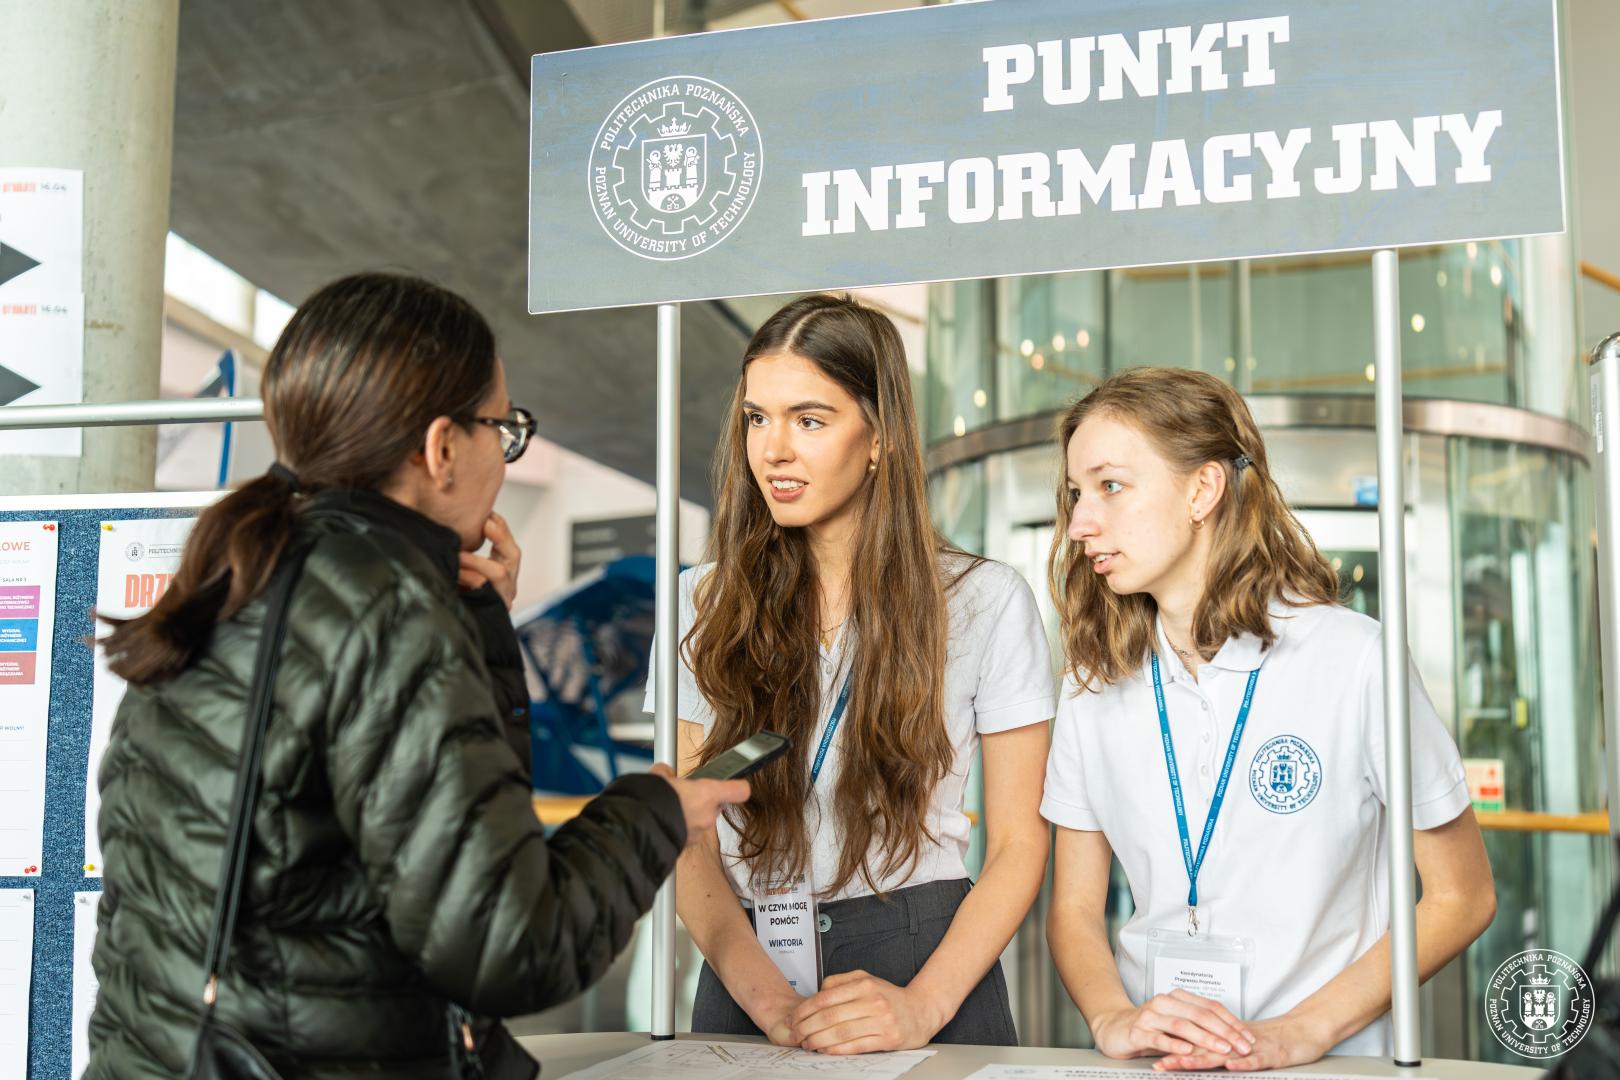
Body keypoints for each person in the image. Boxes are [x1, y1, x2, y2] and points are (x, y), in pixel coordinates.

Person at [87, 272, 748, 1079]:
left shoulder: (243, 572)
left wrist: (472, 614)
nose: (503, 456)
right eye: (503, 430)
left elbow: (406, 853)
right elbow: (513, 943)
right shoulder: (387, 607)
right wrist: (654, 813)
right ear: (441, 449)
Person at [1041, 367, 1495, 1071]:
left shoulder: (1355, 659)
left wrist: (1304, 1030)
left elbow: (1462, 895)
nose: (1079, 523)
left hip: (1327, 1063)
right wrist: (1113, 1018)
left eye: (1110, 486)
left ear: (1203, 489)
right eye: (1076, 493)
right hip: (1156, 1063)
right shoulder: (1091, 683)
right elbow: (1074, 908)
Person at [648, 293, 1054, 1054]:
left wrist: (922, 1008)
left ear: (880, 437)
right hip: (747, 961)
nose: (773, 450)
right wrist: (769, 1002)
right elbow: (689, 834)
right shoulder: (702, 601)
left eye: (809, 420)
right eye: (757, 418)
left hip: (928, 956)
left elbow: (1017, 844)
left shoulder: (983, 600)